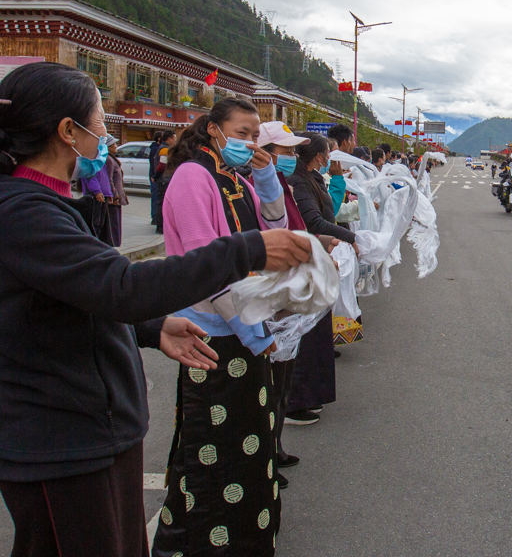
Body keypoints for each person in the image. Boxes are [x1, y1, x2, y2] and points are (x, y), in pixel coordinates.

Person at [0, 62, 312, 557]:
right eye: (100, 121)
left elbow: (84, 294)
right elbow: (124, 284)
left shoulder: (55, 205)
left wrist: (151, 327)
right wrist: (248, 251)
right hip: (61, 440)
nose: (104, 134)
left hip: (96, 430)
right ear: (67, 131)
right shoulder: (23, 212)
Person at [153, 97, 299, 556]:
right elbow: (206, 266)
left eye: (255, 135)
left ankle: (238, 539)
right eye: (241, 133)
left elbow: (274, 222)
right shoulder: (192, 177)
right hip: (213, 334)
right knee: (212, 449)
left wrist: (265, 174)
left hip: (244, 326)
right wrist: (257, 334)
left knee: (248, 443)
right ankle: (208, 543)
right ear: (213, 130)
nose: (249, 142)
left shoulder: (235, 179)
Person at [285, 134, 357, 425]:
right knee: (304, 334)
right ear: (319, 155)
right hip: (303, 260)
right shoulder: (298, 181)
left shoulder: (310, 178)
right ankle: (294, 402)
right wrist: (351, 237)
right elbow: (312, 222)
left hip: (316, 257)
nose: (333, 157)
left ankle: (310, 395)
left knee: (315, 334)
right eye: (330, 152)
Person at [254, 121, 311, 478]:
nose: (290, 157)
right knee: (269, 382)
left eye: (292, 151)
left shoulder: (281, 186)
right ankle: (265, 457)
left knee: (283, 378)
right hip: (271, 291)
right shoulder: (257, 189)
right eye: (285, 151)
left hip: (289, 288)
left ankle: (275, 448)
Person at [152, 131, 177, 233]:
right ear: (169, 139)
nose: (175, 140)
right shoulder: (164, 149)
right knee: (162, 203)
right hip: (164, 180)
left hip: (164, 179)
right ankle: (160, 226)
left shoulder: (166, 148)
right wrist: (156, 176)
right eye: (174, 138)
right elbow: (162, 165)